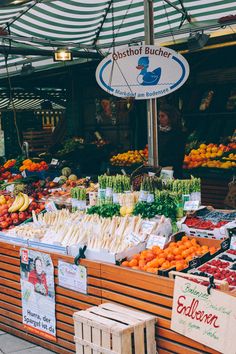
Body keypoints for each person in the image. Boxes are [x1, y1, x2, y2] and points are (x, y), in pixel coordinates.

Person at [158, 104, 186, 178]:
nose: (160, 119)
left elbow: (178, 157)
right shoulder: (158, 133)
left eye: (163, 116)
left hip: (173, 173)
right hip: (159, 171)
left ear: (170, 118)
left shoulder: (178, 134)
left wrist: (160, 163)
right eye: (159, 116)